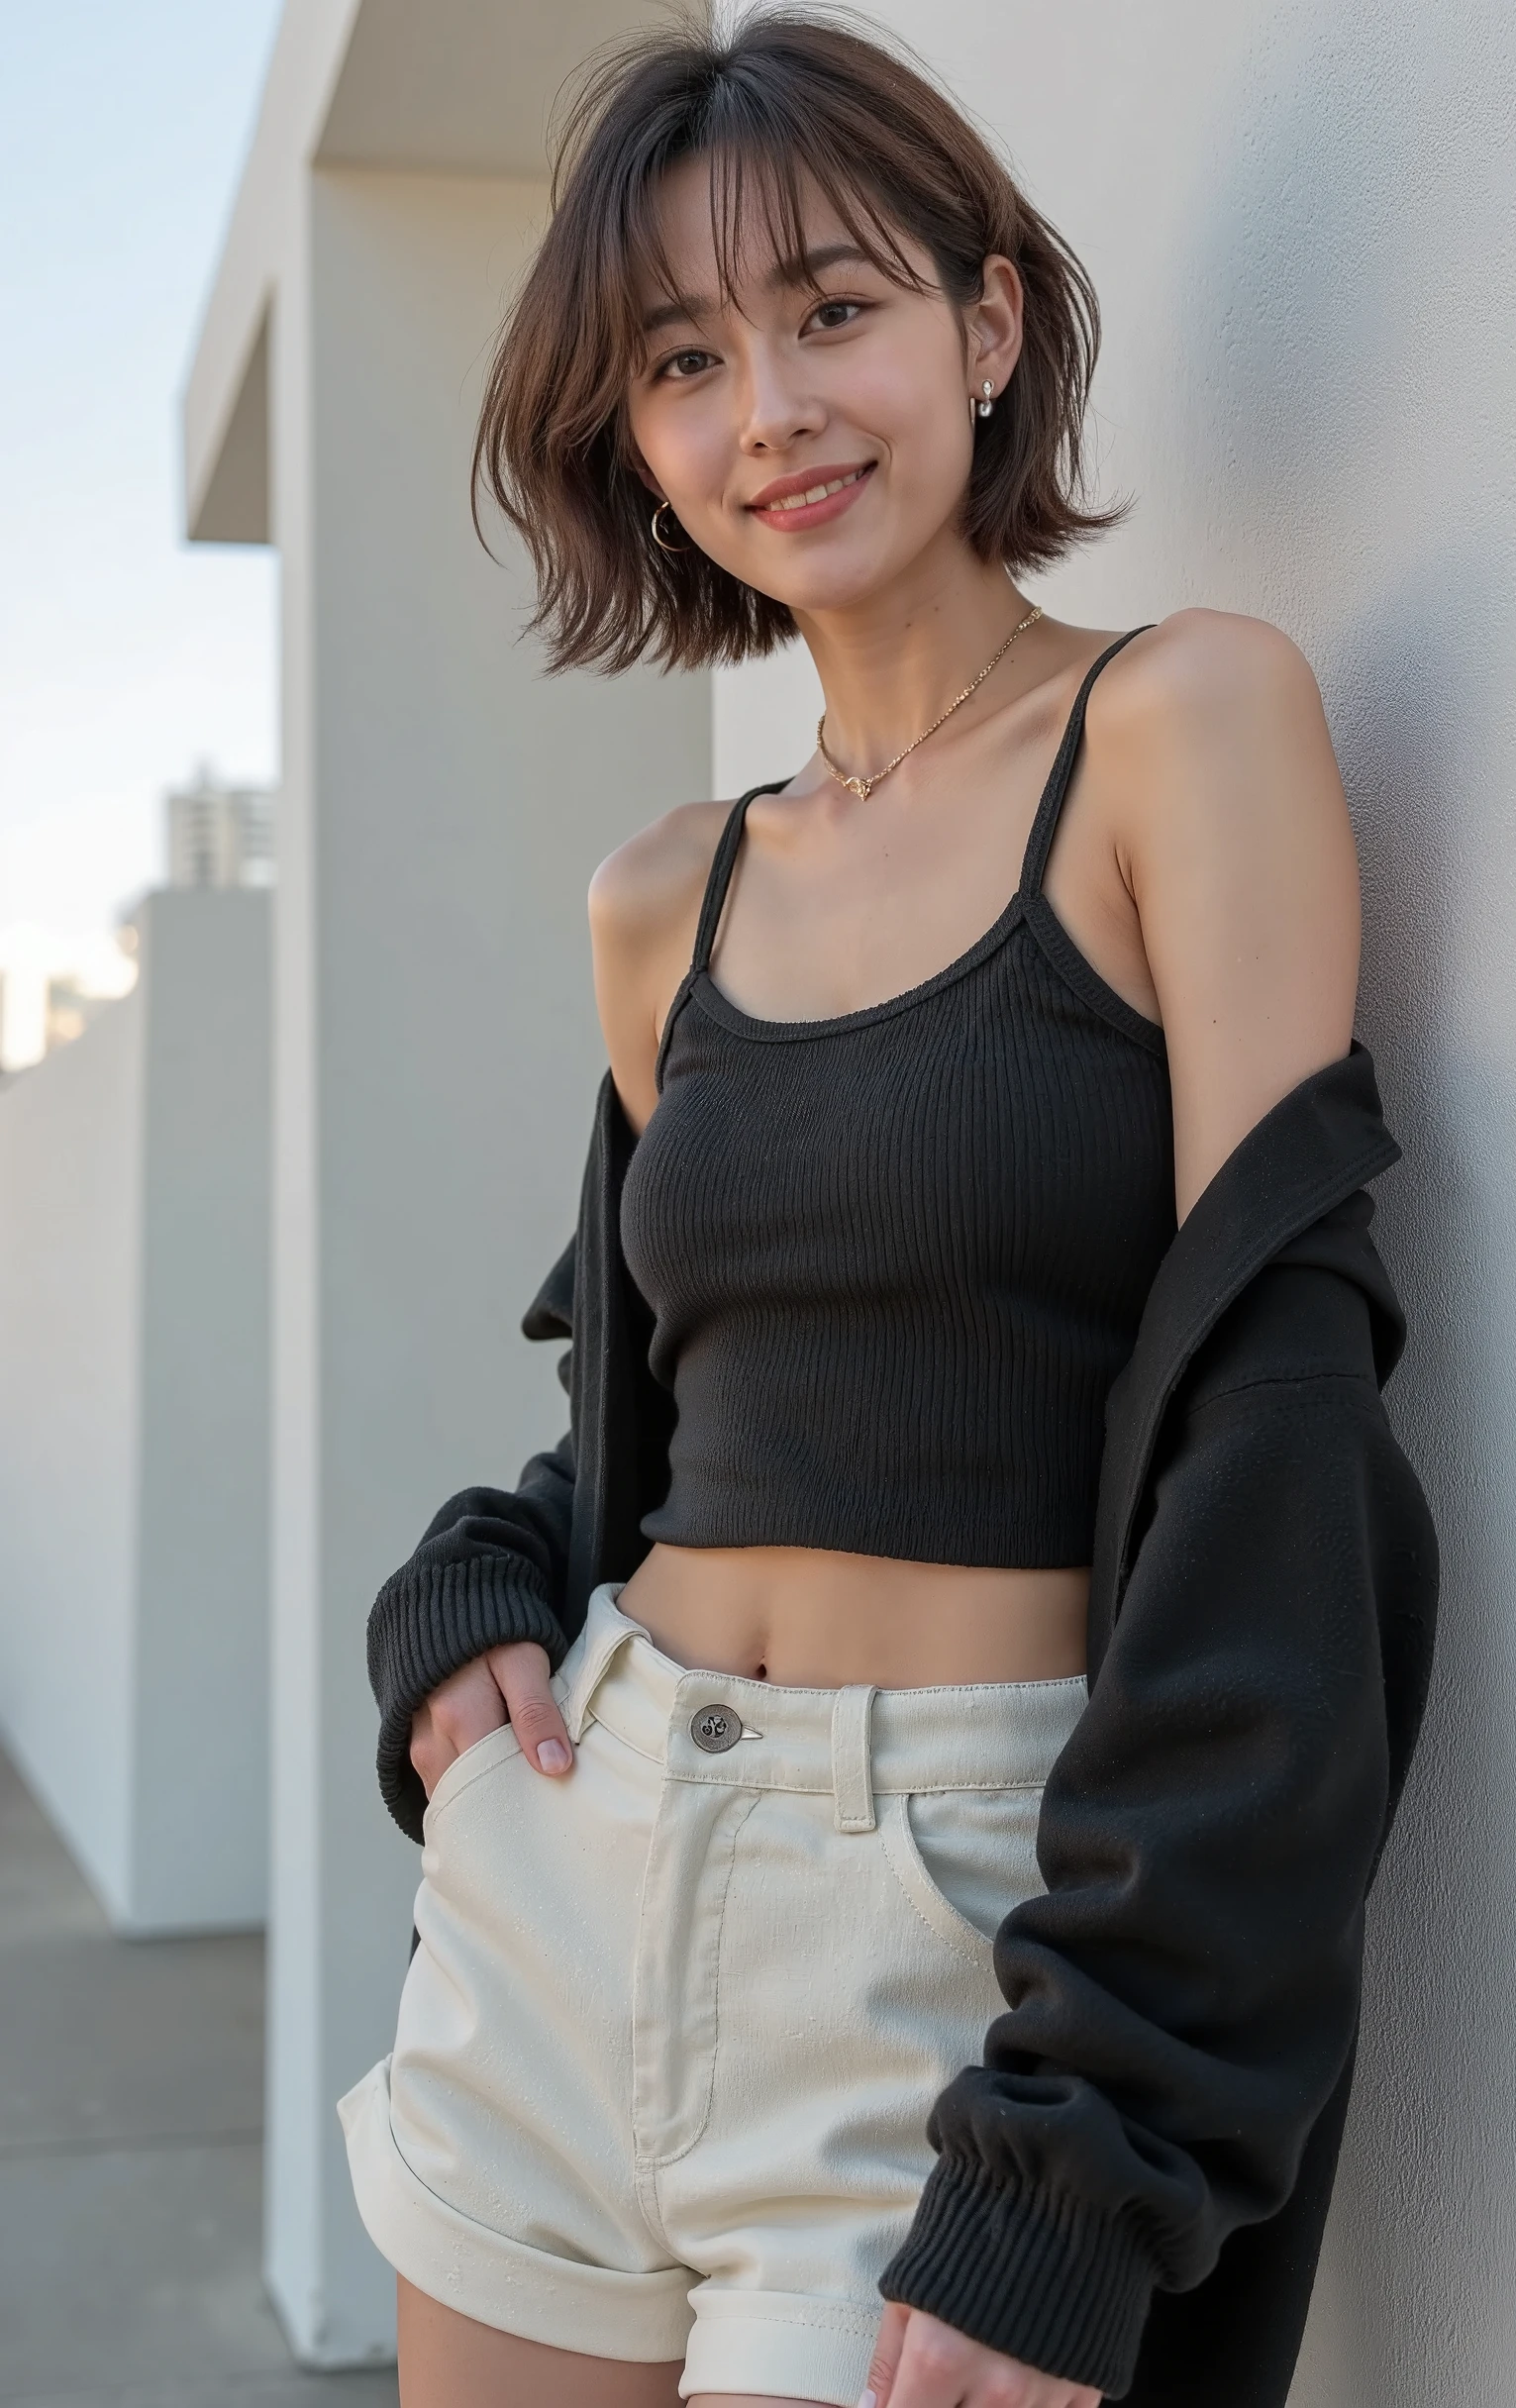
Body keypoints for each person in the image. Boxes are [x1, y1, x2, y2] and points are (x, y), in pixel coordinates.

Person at [338, 14, 1438, 2408]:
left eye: (830, 309)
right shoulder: (664, 895)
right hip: (576, 1869)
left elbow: (1280, 1433)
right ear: (629, 436)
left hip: (954, 1920)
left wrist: (1092, 2151)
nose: (769, 414)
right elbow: (659, 1422)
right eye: (683, 360)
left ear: (986, 321)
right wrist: (477, 1591)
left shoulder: (1183, 729)